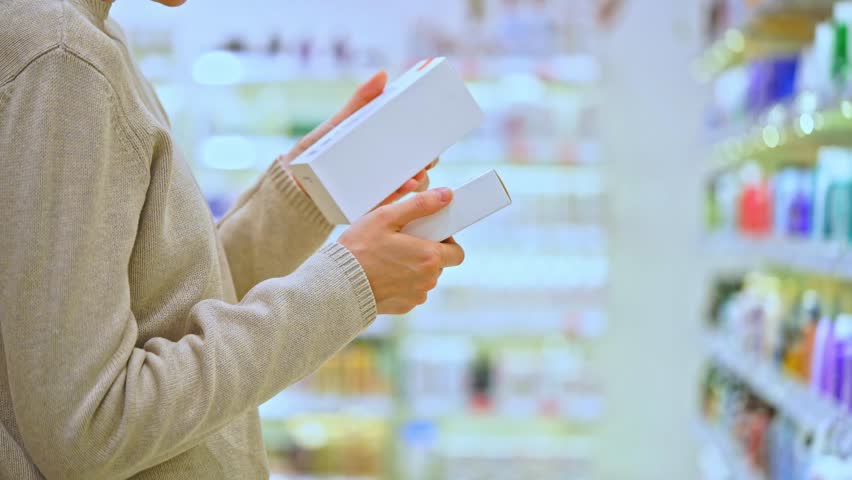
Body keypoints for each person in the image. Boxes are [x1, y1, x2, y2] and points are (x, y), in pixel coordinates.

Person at [0, 0, 466, 478]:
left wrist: (307, 196)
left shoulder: (86, 35)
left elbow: (162, 305)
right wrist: (346, 287)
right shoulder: (62, 57)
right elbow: (90, 429)